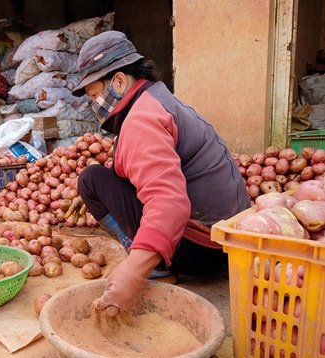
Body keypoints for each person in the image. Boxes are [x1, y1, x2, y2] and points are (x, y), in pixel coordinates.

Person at [71, 31, 250, 317]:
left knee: (90, 179)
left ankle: (155, 266)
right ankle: (153, 259)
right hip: (227, 245)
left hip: (198, 250)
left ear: (119, 81)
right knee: (98, 180)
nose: (95, 105)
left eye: (94, 95)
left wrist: (132, 272)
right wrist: (108, 191)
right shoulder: (155, 99)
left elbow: (169, 202)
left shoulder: (141, 118)